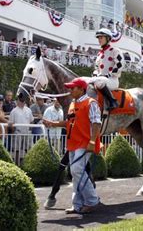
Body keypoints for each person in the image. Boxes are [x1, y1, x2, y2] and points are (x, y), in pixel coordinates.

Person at [43, 77, 101, 215]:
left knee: (76, 170)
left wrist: (92, 142)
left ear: (81, 89)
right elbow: (69, 122)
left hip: (84, 142)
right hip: (73, 143)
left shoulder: (91, 103)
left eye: (72, 88)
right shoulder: (72, 104)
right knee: (75, 173)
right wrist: (53, 123)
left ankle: (92, 200)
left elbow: (96, 123)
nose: (70, 90)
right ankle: (77, 204)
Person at [89, 28, 123, 110]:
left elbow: (119, 64)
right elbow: (96, 68)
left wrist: (108, 75)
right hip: (101, 79)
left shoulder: (115, 50)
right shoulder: (99, 54)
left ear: (108, 38)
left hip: (112, 80)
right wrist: (95, 74)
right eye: (98, 38)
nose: (99, 40)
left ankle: (113, 101)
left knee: (99, 81)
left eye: (101, 38)